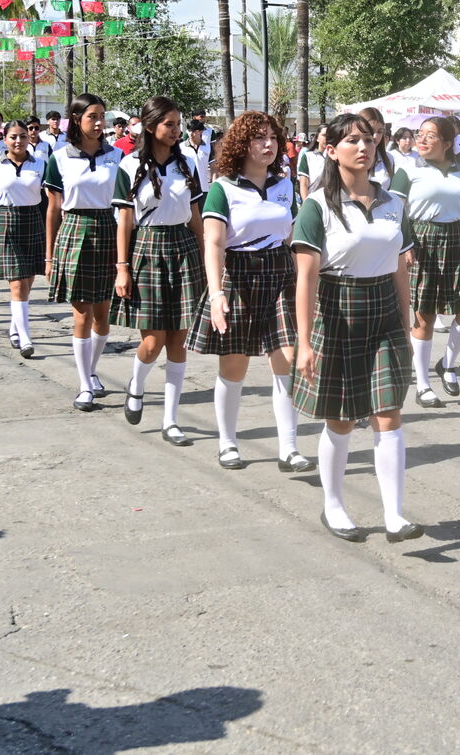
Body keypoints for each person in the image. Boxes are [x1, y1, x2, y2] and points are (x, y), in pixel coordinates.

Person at [292, 112, 420, 542]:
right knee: (342, 419)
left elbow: (401, 267)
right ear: (330, 151)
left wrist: (405, 319)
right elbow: (306, 279)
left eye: (367, 139)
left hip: (383, 309)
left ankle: (395, 514)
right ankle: (334, 505)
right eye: (351, 141)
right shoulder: (316, 207)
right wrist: (305, 341)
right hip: (337, 309)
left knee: (388, 412)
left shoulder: (393, 203)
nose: (363, 147)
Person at [188, 110, 310, 464]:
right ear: (242, 144)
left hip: (279, 271)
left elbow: (290, 235)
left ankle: (289, 447)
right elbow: (213, 244)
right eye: (260, 138)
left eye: (273, 137)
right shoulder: (223, 188)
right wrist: (216, 293)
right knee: (234, 365)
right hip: (237, 273)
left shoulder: (284, 185)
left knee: (287, 358)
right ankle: (227, 442)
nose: (269, 144)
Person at [111, 97, 208, 438]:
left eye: (179, 125)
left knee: (179, 340)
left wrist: (208, 262)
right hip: (147, 251)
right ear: (151, 127)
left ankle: (171, 420)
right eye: (170, 125)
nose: (177, 131)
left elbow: (196, 218)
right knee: (153, 342)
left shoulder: (189, 163)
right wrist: (122, 267)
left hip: (183, 249)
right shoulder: (128, 165)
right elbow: (124, 221)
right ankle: (136, 386)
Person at [391, 116, 460, 407]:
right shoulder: (407, 170)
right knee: (424, 314)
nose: (422, 139)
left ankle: (448, 362)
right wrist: (404, 246)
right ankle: (422, 384)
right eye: (421, 134)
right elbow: (396, 212)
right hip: (421, 240)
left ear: (447, 143)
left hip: (457, 240)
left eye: (431, 136)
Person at [43, 93, 123, 413]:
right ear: (76, 119)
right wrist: (49, 256)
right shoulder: (59, 158)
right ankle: (84, 385)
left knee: (103, 319)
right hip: (74, 231)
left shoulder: (117, 157)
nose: (100, 122)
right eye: (93, 116)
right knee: (81, 315)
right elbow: (52, 210)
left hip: (107, 229)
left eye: (102, 116)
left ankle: (91, 368)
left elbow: (126, 204)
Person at [0, 120, 47, 357]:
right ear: (5, 139)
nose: (18, 141)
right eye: (13, 136)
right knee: (16, 282)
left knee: (27, 282)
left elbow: (51, 198)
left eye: (23, 136)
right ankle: (25, 338)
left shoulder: (40, 164)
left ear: (29, 138)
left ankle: (15, 327)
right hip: (5, 222)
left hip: (33, 221)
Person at [296, 125, 328, 200]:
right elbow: (304, 183)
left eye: (330, 135)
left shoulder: (337, 157)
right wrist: (306, 203)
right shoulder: (308, 156)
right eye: (324, 135)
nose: (327, 138)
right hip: (314, 201)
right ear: (317, 138)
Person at [181, 118, 213, 191]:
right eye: (189, 131)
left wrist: (214, 186)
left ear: (201, 131)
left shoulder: (208, 147)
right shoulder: (181, 148)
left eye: (194, 131)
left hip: (204, 188)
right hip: (187, 189)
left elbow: (214, 169)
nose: (191, 134)